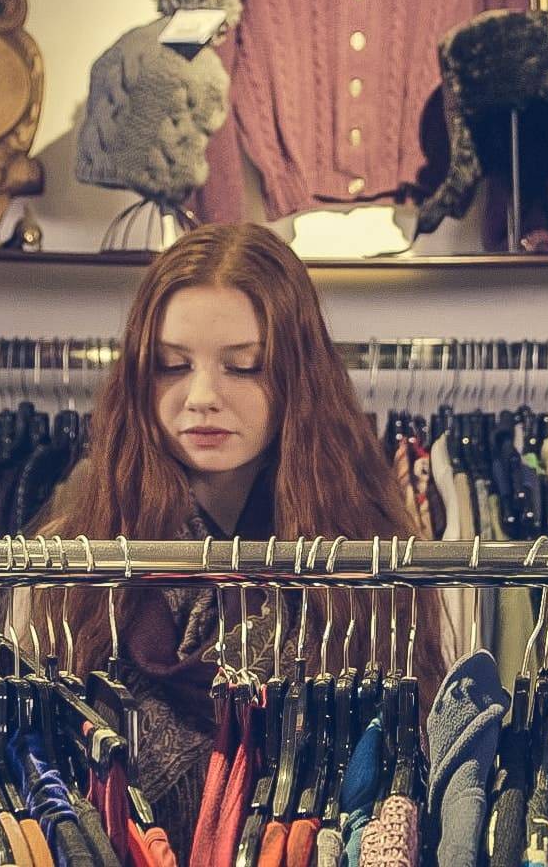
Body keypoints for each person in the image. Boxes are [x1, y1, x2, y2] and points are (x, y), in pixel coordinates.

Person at [35, 223, 442, 855]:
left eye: (242, 366)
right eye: (172, 366)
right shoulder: (79, 558)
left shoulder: (368, 562)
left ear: (294, 377)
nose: (201, 397)